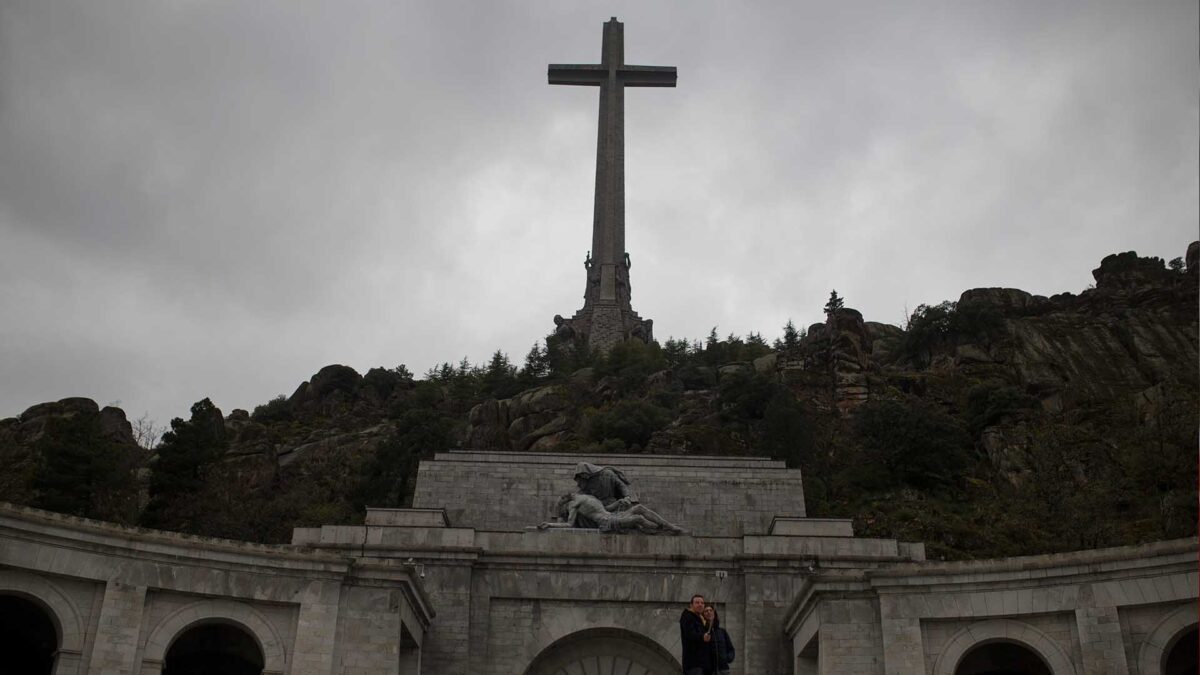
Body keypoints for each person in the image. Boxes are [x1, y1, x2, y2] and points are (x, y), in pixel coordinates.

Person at [538, 493, 684, 534]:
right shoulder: (573, 505)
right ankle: (661, 530)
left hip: (612, 515)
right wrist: (550, 524)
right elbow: (569, 525)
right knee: (638, 518)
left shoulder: (586, 496)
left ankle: (667, 526)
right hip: (606, 522)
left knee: (639, 508)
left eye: (562, 497)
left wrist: (619, 502)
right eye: (562, 499)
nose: (563, 497)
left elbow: (606, 508)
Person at [572, 462, 639, 507]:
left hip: (611, 503)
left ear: (588, 470)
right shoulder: (586, 481)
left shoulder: (607, 474)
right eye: (580, 475)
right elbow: (582, 493)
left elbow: (621, 485)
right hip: (597, 505)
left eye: (583, 473)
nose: (583, 476)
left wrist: (627, 496)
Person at [679, 594, 712, 675]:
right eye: (697, 602)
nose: (700, 605)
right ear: (691, 605)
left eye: (702, 603)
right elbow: (690, 633)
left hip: (703, 663)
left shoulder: (701, 618)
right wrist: (702, 637)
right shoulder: (687, 616)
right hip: (693, 663)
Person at [703, 606, 735, 674]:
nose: (709, 612)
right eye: (706, 611)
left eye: (711, 610)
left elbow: (731, 649)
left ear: (714, 614)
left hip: (724, 670)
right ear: (703, 615)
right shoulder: (702, 632)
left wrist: (726, 658)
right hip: (708, 671)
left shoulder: (722, 632)